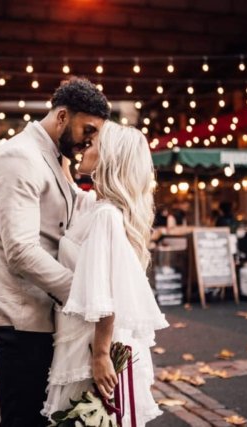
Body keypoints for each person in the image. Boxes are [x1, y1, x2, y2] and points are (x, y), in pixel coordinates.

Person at [0, 77, 110, 426]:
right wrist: (82, 295)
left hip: (43, 309)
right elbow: (20, 250)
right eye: (88, 129)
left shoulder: (54, 157)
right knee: (23, 420)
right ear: (62, 116)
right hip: (19, 313)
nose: (89, 141)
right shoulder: (18, 157)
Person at [42, 121, 168, 425]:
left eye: (93, 141)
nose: (85, 143)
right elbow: (70, 186)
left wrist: (99, 355)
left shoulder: (106, 216)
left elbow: (107, 291)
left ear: (110, 156)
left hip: (92, 344)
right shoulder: (94, 206)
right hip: (77, 336)